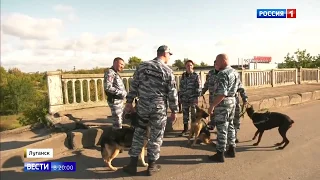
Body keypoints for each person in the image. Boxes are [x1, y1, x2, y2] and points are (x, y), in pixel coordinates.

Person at [123, 45, 178, 176]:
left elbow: (134, 85)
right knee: (156, 135)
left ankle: (132, 165)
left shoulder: (142, 66)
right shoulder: (167, 70)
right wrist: (174, 110)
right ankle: (152, 166)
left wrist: (129, 102)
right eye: (169, 54)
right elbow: (172, 92)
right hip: (159, 108)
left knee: (139, 133)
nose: (170, 57)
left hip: (142, 106)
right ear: (165, 54)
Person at [208, 54, 240, 162]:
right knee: (230, 125)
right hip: (232, 101)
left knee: (222, 128)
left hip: (223, 104)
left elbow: (222, 93)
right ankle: (232, 148)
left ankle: (220, 153)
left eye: (217, 61)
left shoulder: (222, 74)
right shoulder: (235, 72)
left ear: (223, 61)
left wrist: (212, 105)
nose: (216, 63)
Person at [178, 60, 202, 136]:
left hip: (193, 98)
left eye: (190, 65)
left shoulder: (196, 75)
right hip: (185, 98)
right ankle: (185, 129)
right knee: (185, 115)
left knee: (193, 115)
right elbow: (181, 87)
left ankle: (193, 130)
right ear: (185, 66)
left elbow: (199, 87)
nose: (189, 67)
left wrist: (196, 97)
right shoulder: (183, 76)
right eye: (187, 65)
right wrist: (180, 96)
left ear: (193, 66)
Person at [104, 57, 126, 130]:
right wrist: (122, 93)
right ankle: (116, 138)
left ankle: (117, 138)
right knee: (117, 122)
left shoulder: (115, 73)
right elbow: (108, 87)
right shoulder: (110, 72)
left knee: (119, 120)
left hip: (118, 100)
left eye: (123, 65)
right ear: (115, 63)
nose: (122, 66)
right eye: (121, 64)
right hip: (114, 100)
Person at [201, 60, 219, 131]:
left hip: (220, 97)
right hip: (212, 96)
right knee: (212, 111)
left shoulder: (223, 73)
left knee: (219, 113)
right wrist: (203, 91)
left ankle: (219, 128)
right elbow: (207, 84)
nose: (216, 65)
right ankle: (212, 124)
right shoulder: (211, 73)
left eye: (218, 64)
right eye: (215, 64)